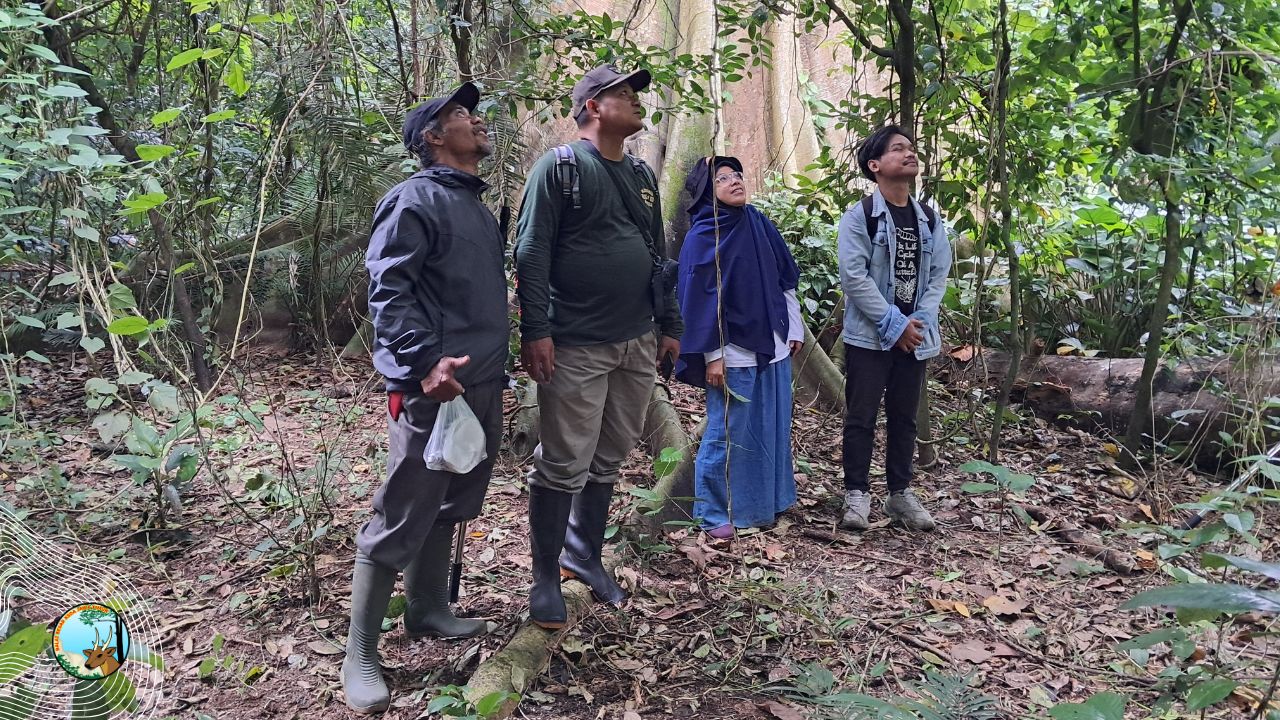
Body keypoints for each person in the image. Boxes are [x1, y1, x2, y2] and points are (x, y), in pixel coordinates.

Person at [343, 82, 508, 714]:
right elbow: (390, 291)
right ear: (433, 138)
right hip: (432, 383)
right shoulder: (413, 200)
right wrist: (423, 364)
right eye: (461, 115)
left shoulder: (476, 207)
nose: (477, 120)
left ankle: (429, 608)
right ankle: (359, 652)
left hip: (481, 380)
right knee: (405, 507)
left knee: (454, 493)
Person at [513, 64, 683, 629]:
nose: (636, 101)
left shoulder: (639, 173)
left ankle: (582, 553)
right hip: (577, 342)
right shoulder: (559, 168)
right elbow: (532, 250)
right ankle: (544, 575)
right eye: (623, 94)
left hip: (635, 340)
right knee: (564, 460)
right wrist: (535, 329)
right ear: (591, 106)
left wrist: (669, 323)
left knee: (611, 452)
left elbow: (659, 257)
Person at [674, 156, 804, 539]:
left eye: (737, 175)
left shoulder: (758, 222)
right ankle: (714, 513)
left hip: (775, 346)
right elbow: (698, 299)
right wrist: (712, 356)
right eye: (722, 178)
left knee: (771, 427)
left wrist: (792, 324)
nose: (735, 181)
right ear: (705, 191)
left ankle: (767, 503)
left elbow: (785, 276)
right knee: (726, 431)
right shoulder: (703, 236)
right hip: (733, 354)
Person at [837, 125, 953, 533]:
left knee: (905, 417)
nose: (909, 154)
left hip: (914, 338)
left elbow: (939, 274)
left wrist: (917, 322)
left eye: (911, 148)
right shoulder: (861, 217)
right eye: (898, 149)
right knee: (861, 416)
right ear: (875, 165)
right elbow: (854, 278)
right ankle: (857, 494)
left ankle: (900, 494)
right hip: (869, 337)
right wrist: (894, 324)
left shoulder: (929, 219)